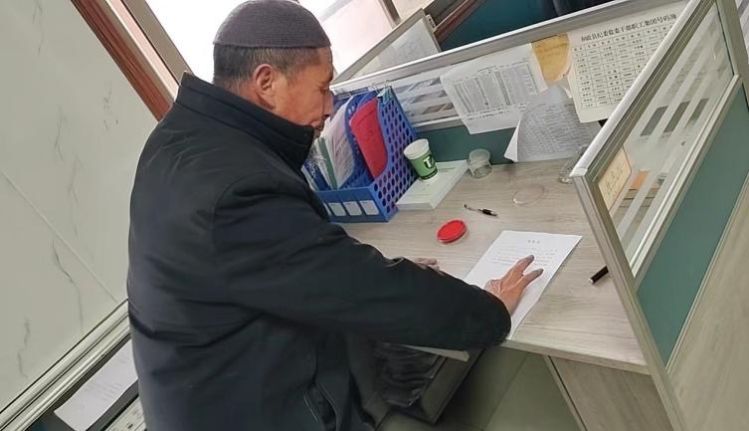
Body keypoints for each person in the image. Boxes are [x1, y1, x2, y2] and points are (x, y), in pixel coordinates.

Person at [127, 1, 543, 430]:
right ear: (267, 82)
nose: (330, 107)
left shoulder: (180, 139)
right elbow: (369, 290)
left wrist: (359, 273)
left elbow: (293, 265)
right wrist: (490, 310)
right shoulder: (234, 191)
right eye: (323, 87)